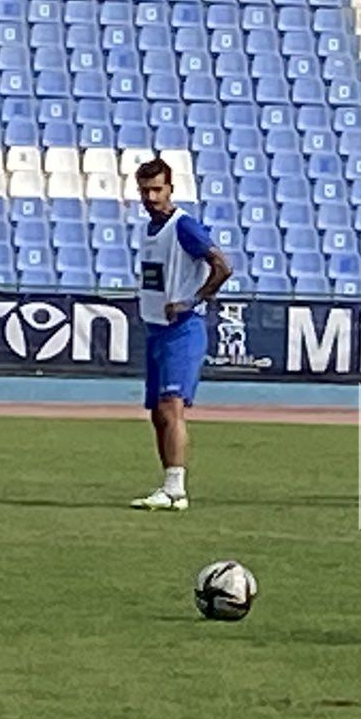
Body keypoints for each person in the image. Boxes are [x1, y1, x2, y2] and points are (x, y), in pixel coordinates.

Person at [130, 156, 231, 511]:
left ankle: (176, 488)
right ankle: (168, 484)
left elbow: (222, 266)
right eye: (145, 191)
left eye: (157, 190)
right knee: (158, 412)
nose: (151, 197)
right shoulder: (144, 229)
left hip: (181, 330)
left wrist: (193, 300)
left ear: (170, 188)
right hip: (156, 329)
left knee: (172, 407)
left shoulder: (184, 226)